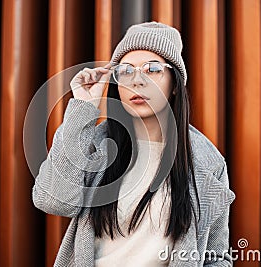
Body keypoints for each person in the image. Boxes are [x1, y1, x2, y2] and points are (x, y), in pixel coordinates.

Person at [32, 22, 235, 266]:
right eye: (126, 71)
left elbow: (217, 257)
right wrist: (83, 109)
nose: (137, 81)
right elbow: (53, 200)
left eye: (152, 69)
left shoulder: (207, 163)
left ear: (174, 84)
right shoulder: (97, 143)